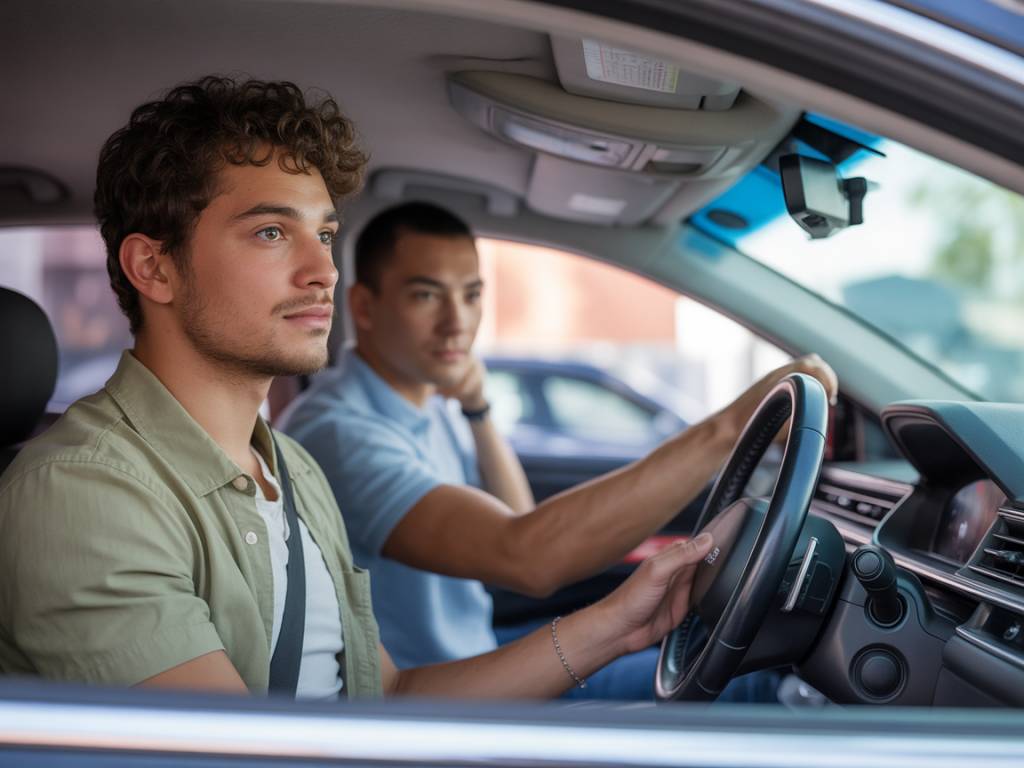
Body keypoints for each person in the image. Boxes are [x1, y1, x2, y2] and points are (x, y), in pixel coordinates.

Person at [0, 76, 717, 700]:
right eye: (272, 233)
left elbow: (390, 696)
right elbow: (227, 754)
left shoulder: (293, 469)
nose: (324, 270)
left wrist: (614, 626)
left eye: (325, 233)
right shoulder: (83, 492)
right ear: (153, 269)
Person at [281, 202, 838, 700]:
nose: (457, 323)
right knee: (757, 688)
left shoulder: (426, 400)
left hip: (480, 653)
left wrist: (477, 410)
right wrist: (730, 428)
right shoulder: (340, 434)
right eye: (427, 295)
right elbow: (526, 557)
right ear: (366, 306)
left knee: (729, 670)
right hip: (450, 694)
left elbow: (516, 517)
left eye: (471, 294)